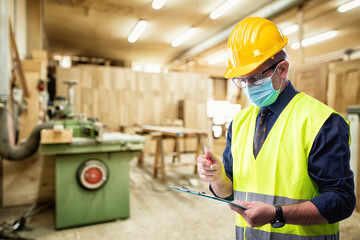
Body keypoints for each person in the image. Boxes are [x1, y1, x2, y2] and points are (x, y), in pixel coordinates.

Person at [197, 17, 355, 240]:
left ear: (282, 69)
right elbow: (229, 192)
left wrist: (277, 214)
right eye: (242, 80)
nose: (248, 87)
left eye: (254, 78)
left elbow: (341, 201)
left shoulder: (321, 121)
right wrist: (217, 177)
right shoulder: (240, 122)